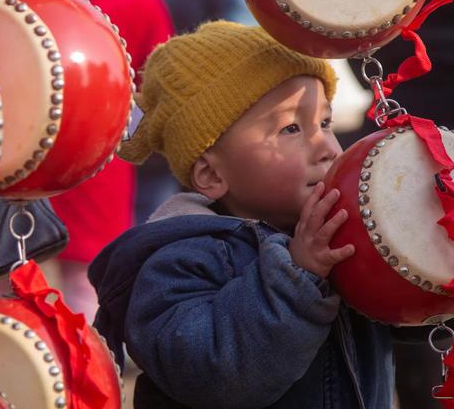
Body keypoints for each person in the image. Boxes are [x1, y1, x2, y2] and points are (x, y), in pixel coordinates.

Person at [88, 21, 394, 408]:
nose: (327, 148)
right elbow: (214, 375)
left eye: (325, 122)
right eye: (291, 128)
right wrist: (297, 277)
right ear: (213, 174)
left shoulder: (337, 232)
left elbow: (401, 321)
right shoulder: (179, 261)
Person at [34, 0, 173, 321]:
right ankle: (87, 374)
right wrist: (126, 138)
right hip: (98, 161)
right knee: (87, 289)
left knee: (7, 274)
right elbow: (158, 87)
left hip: (18, 155)